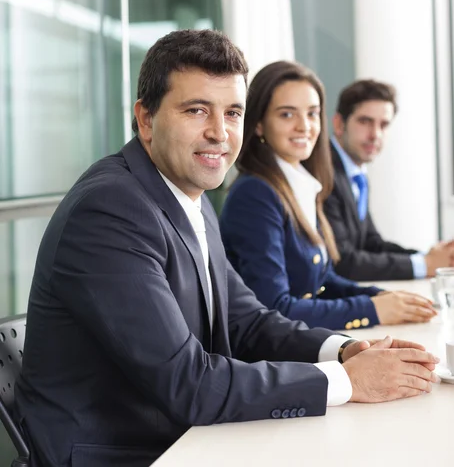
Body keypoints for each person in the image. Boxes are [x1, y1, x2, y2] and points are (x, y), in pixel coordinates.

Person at [15, 31, 439, 467]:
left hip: (181, 437)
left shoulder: (188, 197)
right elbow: (189, 383)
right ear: (145, 120)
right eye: (197, 110)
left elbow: (248, 322)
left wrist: (345, 351)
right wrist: (346, 382)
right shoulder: (111, 210)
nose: (219, 132)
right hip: (125, 454)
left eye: (232, 112)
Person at [220, 61, 436, 331]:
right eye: (287, 115)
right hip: (274, 357)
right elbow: (275, 307)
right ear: (260, 125)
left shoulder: (301, 183)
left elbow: (322, 281)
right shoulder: (255, 194)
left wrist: (379, 296)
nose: (304, 126)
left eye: (312, 114)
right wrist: (372, 309)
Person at [324, 79, 454, 281]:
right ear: (339, 124)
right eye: (365, 121)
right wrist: (426, 264)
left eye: (383, 124)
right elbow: (342, 261)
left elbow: (371, 243)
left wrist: (429, 258)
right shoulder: (323, 171)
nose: (375, 134)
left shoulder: (355, 172)